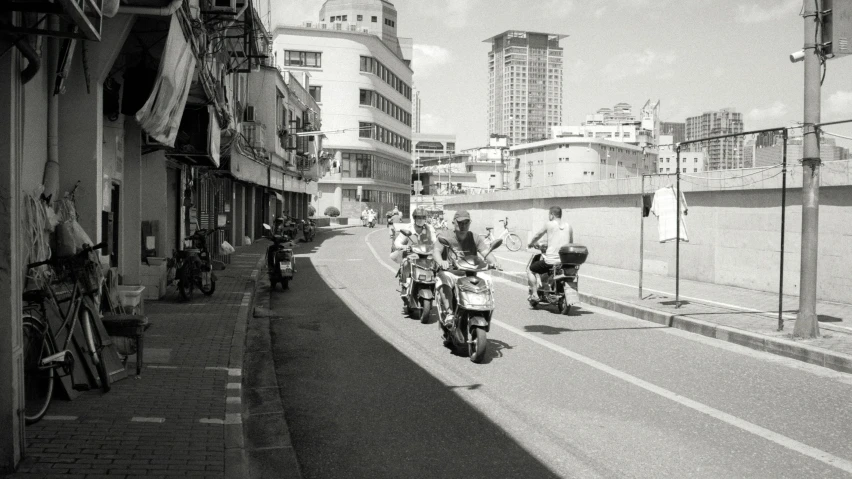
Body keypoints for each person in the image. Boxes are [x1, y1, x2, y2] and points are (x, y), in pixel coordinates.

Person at [432, 210, 501, 327]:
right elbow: (436, 251)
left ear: (470, 223)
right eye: (460, 223)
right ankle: (449, 313)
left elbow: (486, 252)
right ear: (454, 223)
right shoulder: (446, 236)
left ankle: (485, 311)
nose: (463, 225)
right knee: (444, 279)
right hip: (452, 273)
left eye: (466, 222)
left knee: (487, 279)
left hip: (470, 273)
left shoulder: (475, 238)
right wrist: (441, 262)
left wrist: (495, 262)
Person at [527, 206, 574, 301]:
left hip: (551, 261)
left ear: (552, 215)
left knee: (531, 270)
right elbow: (570, 243)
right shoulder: (569, 226)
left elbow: (538, 235)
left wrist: (531, 243)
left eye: (549, 214)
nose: (549, 216)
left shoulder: (549, 224)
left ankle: (535, 294)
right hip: (564, 262)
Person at [390, 207, 436, 296]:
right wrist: (404, 246)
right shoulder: (409, 228)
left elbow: (435, 241)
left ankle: (434, 284)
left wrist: (436, 247)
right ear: (414, 218)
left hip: (427, 256)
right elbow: (397, 242)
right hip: (412, 255)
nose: (421, 220)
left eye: (423, 217)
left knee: (437, 265)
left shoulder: (429, 228)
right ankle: (405, 285)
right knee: (406, 263)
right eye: (419, 217)